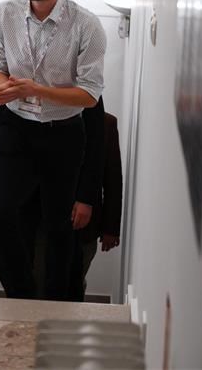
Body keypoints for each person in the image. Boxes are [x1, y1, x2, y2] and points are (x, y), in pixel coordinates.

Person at [0, 0, 106, 300]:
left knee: (58, 227)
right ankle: (21, 295)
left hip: (63, 134)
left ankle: (54, 304)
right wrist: (3, 87)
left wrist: (35, 90)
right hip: (16, 128)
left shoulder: (86, 24)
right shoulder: (5, 12)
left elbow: (89, 95)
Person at [69, 107, 123, 301]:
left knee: (74, 282)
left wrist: (111, 229)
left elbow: (112, 177)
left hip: (86, 226)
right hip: (44, 221)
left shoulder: (107, 123)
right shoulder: (45, 119)